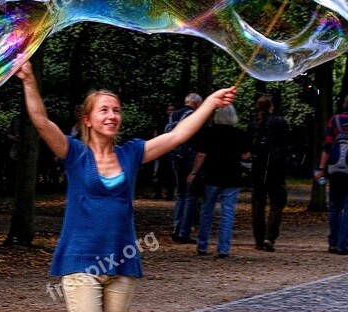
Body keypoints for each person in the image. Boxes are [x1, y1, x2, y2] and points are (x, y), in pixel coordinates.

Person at [15, 61, 235, 311]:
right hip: (81, 264)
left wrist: (209, 103)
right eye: (104, 110)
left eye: (116, 110)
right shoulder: (75, 153)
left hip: (121, 262)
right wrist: (29, 80)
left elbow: (177, 135)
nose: (112, 116)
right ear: (87, 119)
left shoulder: (131, 153)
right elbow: (42, 122)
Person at [192, 105, 250, 258]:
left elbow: (201, 155)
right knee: (227, 213)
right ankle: (223, 249)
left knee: (207, 211)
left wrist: (193, 172)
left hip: (212, 175)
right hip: (232, 176)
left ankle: (202, 246)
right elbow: (245, 156)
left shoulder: (209, 132)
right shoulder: (239, 134)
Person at [314, 93, 348, 256]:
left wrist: (322, 168)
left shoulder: (334, 120)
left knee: (334, 207)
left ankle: (332, 242)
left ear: (344, 103)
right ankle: (343, 245)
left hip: (334, 168)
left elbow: (328, 146)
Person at [249, 95, 289, 252]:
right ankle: (269, 237)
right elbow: (286, 142)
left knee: (258, 203)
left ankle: (259, 239)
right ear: (271, 106)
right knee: (277, 203)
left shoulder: (253, 123)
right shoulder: (279, 121)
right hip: (276, 166)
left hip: (258, 166)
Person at [168, 93, 203, 243]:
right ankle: (184, 231)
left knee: (180, 193)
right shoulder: (194, 116)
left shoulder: (174, 114)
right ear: (197, 104)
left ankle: (176, 225)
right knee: (191, 194)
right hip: (189, 156)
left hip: (175, 155)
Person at [152, 103, 177, 201]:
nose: (171, 112)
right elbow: (155, 134)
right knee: (158, 173)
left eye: (172, 110)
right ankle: (157, 193)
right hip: (161, 151)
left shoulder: (176, 123)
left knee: (171, 175)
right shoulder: (162, 122)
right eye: (169, 110)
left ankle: (169, 194)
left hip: (171, 152)